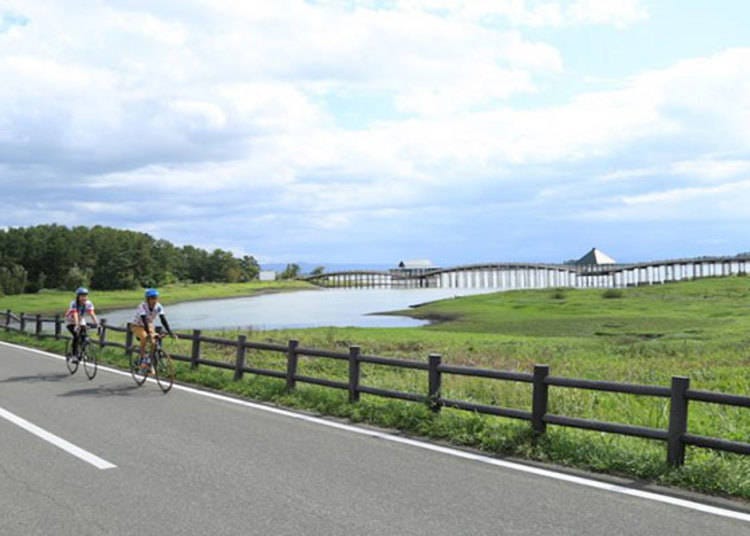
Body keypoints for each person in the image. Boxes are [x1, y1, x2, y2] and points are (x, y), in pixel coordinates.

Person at [131, 288, 176, 371]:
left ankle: (149, 362)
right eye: (152, 298)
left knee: (154, 342)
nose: (154, 300)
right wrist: (149, 334)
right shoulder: (142, 306)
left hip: (149, 324)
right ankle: (142, 359)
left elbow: (163, 319)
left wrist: (170, 332)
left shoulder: (158, 306)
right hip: (137, 325)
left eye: (155, 298)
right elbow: (144, 319)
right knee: (145, 338)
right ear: (148, 299)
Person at [65, 287, 100, 363]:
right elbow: (75, 313)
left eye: (85, 296)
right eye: (82, 296)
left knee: (84, 336)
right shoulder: (74, 303)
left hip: (80, 319)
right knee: (76, 336)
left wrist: (97, 323)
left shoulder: (88, 303)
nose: (84, 298)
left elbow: (91, 313)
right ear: (78, 296)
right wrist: (77, 325)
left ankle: (83, 353)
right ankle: (74, 355)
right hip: (70, 320)